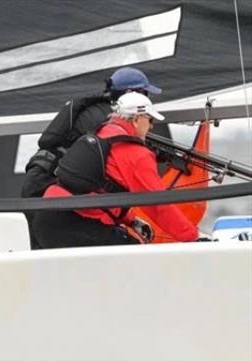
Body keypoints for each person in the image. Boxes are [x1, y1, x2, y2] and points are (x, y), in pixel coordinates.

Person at [31, 92, 199, 249]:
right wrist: (193, 238)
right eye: (150, 120)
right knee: (139, 258)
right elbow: (158, 205)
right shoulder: (136, 154)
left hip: (45, 220)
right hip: (75, 224)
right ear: (137, 119)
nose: (152, 127)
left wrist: (131, 220)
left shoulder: (101, 133)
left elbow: (101, 187)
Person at [21, 67, 162, 248]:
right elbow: (119, 159)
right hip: (50, 185)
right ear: (131, 93)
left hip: (36, 177)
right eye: (145, 93)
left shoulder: (93, 107)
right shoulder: (108, 119)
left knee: (42, 252)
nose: (148, 99)